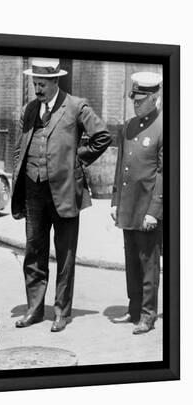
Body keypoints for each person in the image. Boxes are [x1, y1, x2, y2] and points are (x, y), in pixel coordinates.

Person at [11, 58, 112, 332]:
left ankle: (62, 312)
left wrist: (78, 159)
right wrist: (17, 182)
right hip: (33, 190)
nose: (37, 89)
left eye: (41, 84)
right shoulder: (29, 109)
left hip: (66, 191)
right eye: (34, 84)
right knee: (34, 250)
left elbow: (102, 136)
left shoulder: (77, 106)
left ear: (56, 81)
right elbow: (20, 148)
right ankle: (34, 309)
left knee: (65, 255)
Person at [110, 71, 163, 335]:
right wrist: (114, 200)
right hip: (128, 206)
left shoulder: (166, 126)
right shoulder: (129, 126)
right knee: (131, 260)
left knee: (148, 264)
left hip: (147, 208)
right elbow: (122, 165)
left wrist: (155, 210)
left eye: (141, 100)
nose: (136, 103)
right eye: (134, 99)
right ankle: (134, 309)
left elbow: (165, 173)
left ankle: (148, 314)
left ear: (155, 98)